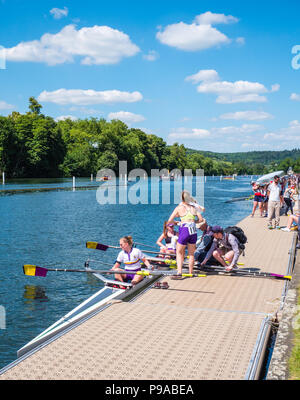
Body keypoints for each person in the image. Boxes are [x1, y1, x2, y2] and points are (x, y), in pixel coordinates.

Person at [167, 190, 204, 277]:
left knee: (179, 252)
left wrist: (176, 222)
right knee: (191, 253)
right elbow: (201, 219)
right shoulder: (193, 207)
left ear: (182, 198)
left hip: (184, 230)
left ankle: (179, 272)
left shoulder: (179, 208)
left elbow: (169, 220)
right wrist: (194, 221)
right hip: (193, 231)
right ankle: (191, 272)